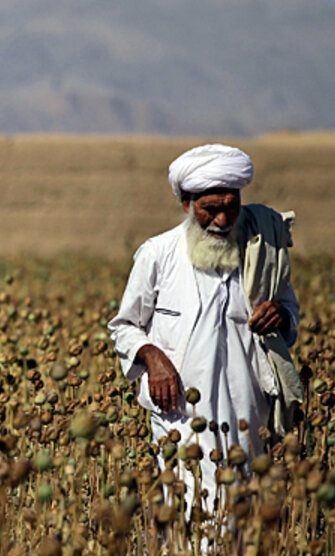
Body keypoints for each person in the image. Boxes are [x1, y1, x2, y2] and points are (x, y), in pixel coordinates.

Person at [107, 144, 302, 521]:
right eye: (210, 209)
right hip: (180, 413)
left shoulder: (262, 250)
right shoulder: (158, 254)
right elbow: (124, 327)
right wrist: (153, 357)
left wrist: (279, 314)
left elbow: (290, 310)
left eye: (232, 206)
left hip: (248, 411)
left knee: (241, 510)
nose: (223, 218)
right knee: (183, 508)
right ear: (186, 203)